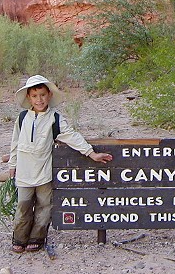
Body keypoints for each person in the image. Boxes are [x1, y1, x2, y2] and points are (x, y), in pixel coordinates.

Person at [8, 75, 112, 253]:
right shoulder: (22, 118)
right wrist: (12, 164)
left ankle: (37, 238)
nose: (39, 99)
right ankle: (19, 238)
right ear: (28, 98)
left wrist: (91, 153)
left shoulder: (55, 118)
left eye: (42, 95)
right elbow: (15, 143)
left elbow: (71, 136)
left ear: (49, 95)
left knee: (44, 206)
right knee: (23, 206)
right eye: (34, 96)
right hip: (25, 172)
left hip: (44, 172)